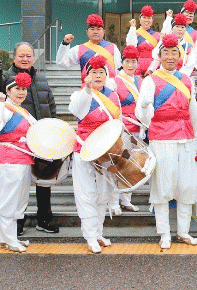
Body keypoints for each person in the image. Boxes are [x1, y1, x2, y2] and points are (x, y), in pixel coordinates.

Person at [135, 34, 197, 249]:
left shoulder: (186, 80)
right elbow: (142, 115)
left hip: (186, 138)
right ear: (159, 56)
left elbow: (193, 112)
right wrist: (145, 107)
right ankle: (164, 234)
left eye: (174, 52)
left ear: (179, 55)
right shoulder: (150, 80)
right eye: (165, 52)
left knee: (187, 186)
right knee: (162, 187)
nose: (170, 56)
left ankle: (183, 232)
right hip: (162, 139)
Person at [0, 42, 59, 235]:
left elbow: (51, 104)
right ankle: (17, 222)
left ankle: (44, 218)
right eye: (21, 56)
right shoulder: (6, 77)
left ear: (33, 58)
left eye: (29, 55)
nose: (25, 59)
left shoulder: (41, 78)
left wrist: (54, 126)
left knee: (44, 179)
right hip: (18, 141)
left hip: (41, 137)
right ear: (14, 58)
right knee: (18, 185)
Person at [68, 55, 120, 253]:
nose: (98, 76)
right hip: (84, 150)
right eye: (94, 72)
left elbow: (118, 121)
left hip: (106, 152)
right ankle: (90, 236)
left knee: (104, 194)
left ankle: (98, 233)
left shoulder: (113, 96)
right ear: (86, 75)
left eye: (101, 72)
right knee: (86, 194)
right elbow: (75, 110)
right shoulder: (79, 94)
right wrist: (87, 89)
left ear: (106, 75)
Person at [0, 73, 36, 252]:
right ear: (8, 91)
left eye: (24, 89)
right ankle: (10, 239)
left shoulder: (24, 111)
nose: (21, 92)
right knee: (9, 200)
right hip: (8, 161)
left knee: (18, 200)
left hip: (23, 159)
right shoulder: (5, 108)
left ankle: (8, 237)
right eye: (17, 89)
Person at [108, 45, 144, 215]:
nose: (130, 65)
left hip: (139, 127)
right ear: (121, 62)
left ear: (137, 63)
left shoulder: (141, 81)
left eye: (133, 61)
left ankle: (126, 199)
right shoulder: (113, 81)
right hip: (122, 128)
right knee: (118, 164)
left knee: (132, 164)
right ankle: (113, 202)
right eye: (127, 61)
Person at [57, 13, 123, 80]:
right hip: (88, 86)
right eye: (92, 29)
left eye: (98, 29)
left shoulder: (112, 47)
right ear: (87, 32)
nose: (95, 32)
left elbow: (119, 69)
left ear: (104, 31)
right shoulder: (79, 49)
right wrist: (65, 44)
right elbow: (62, 62)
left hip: (109, 85)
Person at [161, 0, 197, 64]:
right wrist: (168, 19)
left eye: (191, 14)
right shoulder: (172, 28)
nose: (189, 16)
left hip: (187, 65)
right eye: (187, 13)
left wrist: (193, 67)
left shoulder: (196, 34)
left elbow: (196, 54)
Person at [126, 5, 161, 76]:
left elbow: (159, 55)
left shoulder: (158, 35)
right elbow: (130, 49)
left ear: (152, 20)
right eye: (144, 17)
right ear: (139, 19)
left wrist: (151, 69)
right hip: (137, 69)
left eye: (149, 18)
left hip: (154, 69)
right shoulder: (134, 33)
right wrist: (132, 28)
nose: (146, 20)